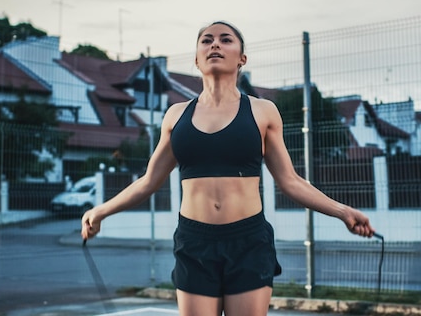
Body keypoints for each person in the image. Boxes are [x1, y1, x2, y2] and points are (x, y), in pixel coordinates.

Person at [81, 21, 375, 316]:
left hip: (248, 241)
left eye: (226, 40)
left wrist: (342, 211)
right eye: (206, 40)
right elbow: (147, 181)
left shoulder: (263, 111)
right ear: (197, 59)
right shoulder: (175, 116)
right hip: (194, 242)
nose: (215, 45)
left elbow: (290, 181)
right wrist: (100, 210)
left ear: (242, 58)